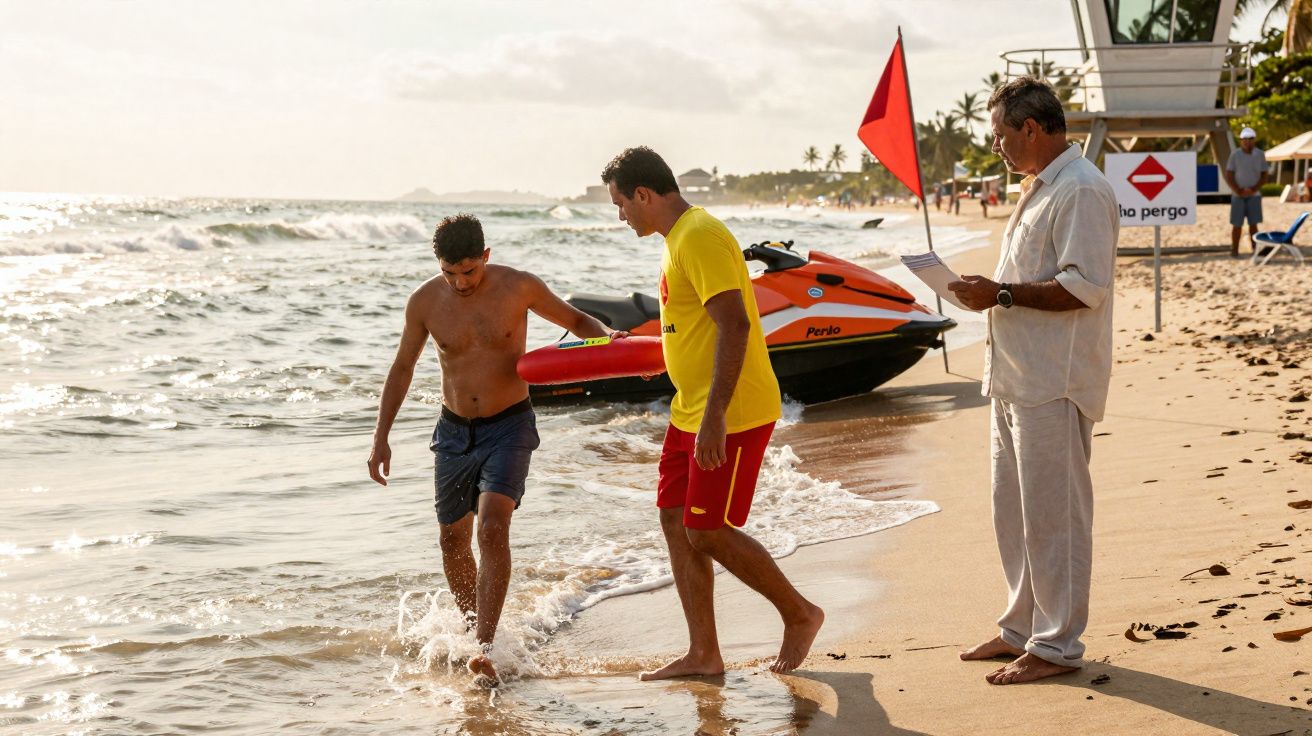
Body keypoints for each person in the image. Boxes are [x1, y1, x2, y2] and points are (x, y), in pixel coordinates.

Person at [600, 146, 824, 679]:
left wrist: (715, 416)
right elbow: (694, 324)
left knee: (706, 529)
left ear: (644, 194)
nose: (620, 214)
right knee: (675, 519)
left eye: (620, 204)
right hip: (689, 408)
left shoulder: (697, 236)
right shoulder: (678, 238)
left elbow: (735, 324)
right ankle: (704, 653)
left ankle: (800, 614)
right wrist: (658, 354)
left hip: (730, 410)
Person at [366, 214, 612, 685]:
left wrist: (609, 344)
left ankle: (484, 648)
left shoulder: (518, 287)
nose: (460, 282)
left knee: (494, 526)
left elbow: (578, 320)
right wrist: (381, 437)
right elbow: (402, 368)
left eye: (469, 272)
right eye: (449, 273)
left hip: (509, 425)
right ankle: (474, 630)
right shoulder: (423, 302)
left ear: (486, 256)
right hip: (454, 431)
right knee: (452, 539)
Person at [947, 77, 1117, 686]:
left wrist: (1000, 294)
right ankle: (1022, 626)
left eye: (1000, 135)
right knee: (1013, 513)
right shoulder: (1038, 188)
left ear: (1032, 128)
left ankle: (1058, 644)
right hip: (1014, 377)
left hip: (1056, 380)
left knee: (1056, 515)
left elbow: (1082, 287)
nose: (996, 147)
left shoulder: (1081, 190)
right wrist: (988, 294)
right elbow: (1022, 280)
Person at [1224, 127, 1269, 258]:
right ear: (1241, 141)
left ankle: (1255, 248)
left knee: (1253, 224)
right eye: (1244, 139)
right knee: (1236, 224)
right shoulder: (1235, 154)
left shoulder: (1260, 154)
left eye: (1250, 139)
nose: (1247, 142)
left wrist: (1254, 189)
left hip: (1254, 195)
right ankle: (1235, 249)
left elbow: (1264, 175)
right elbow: (1229, 174)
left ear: (1254, 140)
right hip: (1238, 195)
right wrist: (1238, 190)